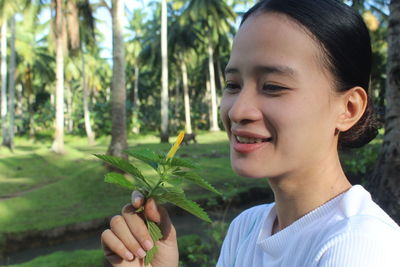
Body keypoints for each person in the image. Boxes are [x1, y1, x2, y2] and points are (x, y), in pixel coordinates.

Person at [100, 0, 400, 266]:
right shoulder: (247, 227)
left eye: (273, 87)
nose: (237, 110)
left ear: (348, 108)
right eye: (233, 85)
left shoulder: (361, 247)